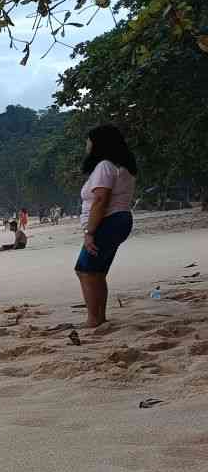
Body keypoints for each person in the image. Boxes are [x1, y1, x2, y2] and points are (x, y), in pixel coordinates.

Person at [76, 124, 138, 328]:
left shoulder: (105, 165)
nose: (87, 144)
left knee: (85, 270)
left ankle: (94, 319)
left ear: (99, 143)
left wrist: (90, 232)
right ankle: (99, 317)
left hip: (109, 221)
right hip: (119, 220)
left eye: (89, 140)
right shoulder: (122, 166)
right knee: (97, 271)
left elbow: (101, 199)